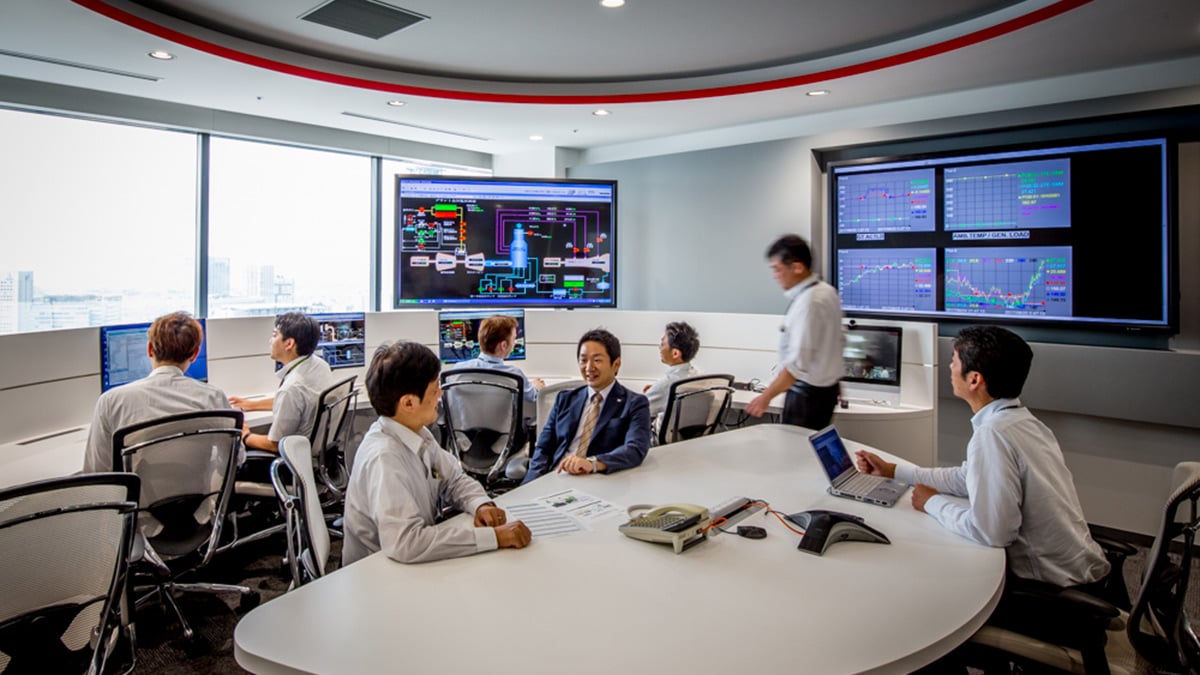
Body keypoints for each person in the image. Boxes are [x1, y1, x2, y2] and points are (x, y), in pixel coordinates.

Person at [854, 325, 1110, 588]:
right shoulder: (1021, 422)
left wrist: (932, 503)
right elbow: (967, 478)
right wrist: (894, 470)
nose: (950, 369)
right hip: (1084, 568)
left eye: (953, 362)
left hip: (1051, 589)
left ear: (974, 379)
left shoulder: (993, 435)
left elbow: (991, 532)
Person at [342, 340, 532, 565]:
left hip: (409, 562)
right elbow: (406, 543)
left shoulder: (417, 433)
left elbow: (453, 479)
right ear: (409, 403)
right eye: (434, 390)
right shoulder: (384, 458)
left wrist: (480, 503)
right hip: (378, 573)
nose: (441, 395)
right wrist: (494, 537)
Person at [83, 311, 232, 473]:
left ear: (149, 349)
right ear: (195, 354)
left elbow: (97, 471)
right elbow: (234, 459)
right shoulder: (213, 397)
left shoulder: (111, 401)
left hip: (136, 499)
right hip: (200, 498)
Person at [523, 328, 651, 483]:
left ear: (615, 364)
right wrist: (530, 485)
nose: (589, 368)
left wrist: (594, 464)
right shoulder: (565, 399)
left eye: (597, 360)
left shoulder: (634, 404)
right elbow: (543, 449)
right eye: (583, 360)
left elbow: (635, 449)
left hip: (596, 481)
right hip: (556, 476)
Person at [745, 234, 844, 429]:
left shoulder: (809, 304)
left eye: (777, 269)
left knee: (796, 453)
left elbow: (797, 365)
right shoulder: (827, 292)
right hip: (827, 390)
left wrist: (765, 397)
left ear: (797, 267)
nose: (775, 276)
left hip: (807, 397)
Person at [230, 312, 334, 453]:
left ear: (289, 343)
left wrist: (246, 435)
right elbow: (295, 403)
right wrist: (250, 405)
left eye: (274, 335)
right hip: (318, 450)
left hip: (295, 457)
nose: (270, 341)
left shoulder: (292, 388)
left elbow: (276, 444)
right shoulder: (319, 365)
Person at [450, 313, 544, 405]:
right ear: (503, 345)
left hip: (466, 421)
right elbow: (533, 396)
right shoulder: (514, 375)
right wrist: (537, 386)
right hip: (503, 421)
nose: (514, 344)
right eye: (513, 339)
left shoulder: (458, 370)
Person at [642, 321, 702, 431]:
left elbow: (637, 409)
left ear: (675, 353)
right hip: (687, 437)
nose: (659, 348)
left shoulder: (667, 384)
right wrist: (656, 390)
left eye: (663, 344)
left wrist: (654, 391)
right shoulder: (698, 375)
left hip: (656, 441)